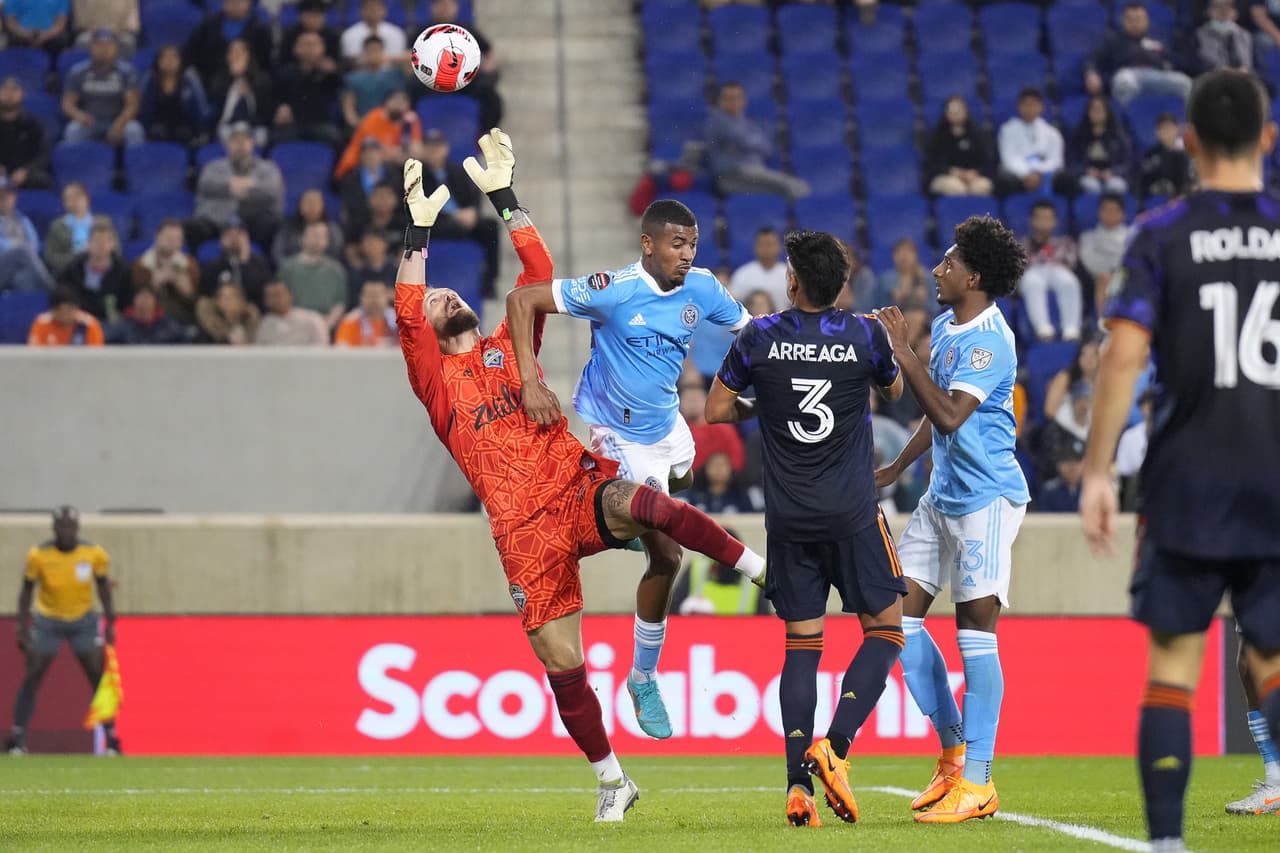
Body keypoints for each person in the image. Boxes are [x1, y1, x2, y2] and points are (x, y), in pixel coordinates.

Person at [396, 131, 764, 821]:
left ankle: (753, 566)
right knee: (562, 665)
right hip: (521, 534)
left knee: (648, 508)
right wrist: (417, 233)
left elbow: (536, 269)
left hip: (573, 488)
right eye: (438, 298)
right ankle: (612, 780)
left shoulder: (511, 346)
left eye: (447, 292)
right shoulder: (437, 382)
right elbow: (409, 310)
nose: (443, 298)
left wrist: (506, 197)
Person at [1079, 70, 1280, 849]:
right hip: (1273, 476)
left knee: (1173, 665)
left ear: (1189, 142)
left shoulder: (1162, 233)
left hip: (1189, 478)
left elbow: (1122, 355)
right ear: (1267, 138)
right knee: (1269, 655)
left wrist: (1099, 472)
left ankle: (1166, 842)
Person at [505, 194, 756, 741]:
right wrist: (528, 380)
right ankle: (643, 677)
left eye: (692, 244)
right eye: (676, 244)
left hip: (669, 429)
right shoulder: (613, 290)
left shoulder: (704, 289)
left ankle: (639, 519)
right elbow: (521, 300)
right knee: (668, 547)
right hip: (616, 433)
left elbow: (754, 331)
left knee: (683, 483)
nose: (686, 254)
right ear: (647, 244)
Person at [705, 228, 906, 826]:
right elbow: (894, 390)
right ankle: (835, 746)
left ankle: (797, 786)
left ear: (792, 282)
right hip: (852, 513)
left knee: (801, 647)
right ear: (841, 285)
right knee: (887, 633)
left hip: (789, 520)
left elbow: (716, 410)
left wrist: (767, 399)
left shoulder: (759, 337)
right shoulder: (866, 333)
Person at [874, 215, 1030, 824]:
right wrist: (893, 469)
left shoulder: (991, 340)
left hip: (986, 502)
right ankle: (953, 754)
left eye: (949, 263)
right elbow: (932, 419)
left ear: (976, 276)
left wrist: (903, 354)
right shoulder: (946, 324)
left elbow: (949, 415)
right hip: (942, 497)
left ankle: (982, 782)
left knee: (975, 631)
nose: (939, 271)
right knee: (895, 619)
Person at [6, 507, 120, 756]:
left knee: (97, 677)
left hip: (84, 620)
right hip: (48, 620)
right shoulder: (39, 555)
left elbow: (104, 588)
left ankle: (111, 737)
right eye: (62, 526)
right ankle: (17, 738)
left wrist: (111, 621)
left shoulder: (93, 553)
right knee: (33, 674)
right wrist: (21, 625)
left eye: (71, 526)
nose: (66, 531)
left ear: (77, 528)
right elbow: (26, 591)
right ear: (54, 528)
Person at [417, 128, 500, 296]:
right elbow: (419, 205)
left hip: (462, 219)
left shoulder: (456, 171)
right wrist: (453, 216)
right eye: (430, 148)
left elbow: (473, 196)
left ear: (445, 149)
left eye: (437, 147)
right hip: (436, 222)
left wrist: (472, 212)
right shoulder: (419, 176)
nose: (434, 152)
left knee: (491, 227)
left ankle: (489, 280)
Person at [704, 82, 809, 200]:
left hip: (752, 173)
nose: (734, 102)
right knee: (792, 186)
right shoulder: (717, 121)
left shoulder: (748, 123)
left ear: (744, 101)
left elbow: (767, 148)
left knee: (791, 189)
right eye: (729, 98)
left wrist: (739, 146)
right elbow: (742, 140)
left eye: (738, 98)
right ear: (720, 101)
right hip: (731, 174)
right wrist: (751, 144)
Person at [193, 122, 286, 248]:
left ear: (252, 143)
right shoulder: (213, 167)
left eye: (245, 140)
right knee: (193, 227)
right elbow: (206, 184)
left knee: (273, 224)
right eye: (235, 140)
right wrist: (236, 185)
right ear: (227, 145)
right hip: (216, 221)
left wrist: (234, 187)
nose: (240, 144)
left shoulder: (268, 168)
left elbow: (270, 191)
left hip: (254, 221)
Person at [1085, 1, 1192, 106]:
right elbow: (1092, 60)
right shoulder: (1114, 41)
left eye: (1139, 19)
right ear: (1123, 21)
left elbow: (1173, 61)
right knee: (1123, 81)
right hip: (1130, 76)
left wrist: (1165, 62)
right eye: (1131, 20)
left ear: (1147, 20)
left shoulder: (1156, 40)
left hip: (1158, 75)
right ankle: (1125, 119)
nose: (1135, 23)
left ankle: (1191, 120)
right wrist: (1091, 73)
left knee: (1185, 83)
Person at [425, 0, 504, 130]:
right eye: (440, 5)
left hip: (464, 80)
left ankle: (484, 132)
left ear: (456, 8)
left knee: (491, 97)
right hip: (432, 81)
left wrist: (487, 69)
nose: (444, 9)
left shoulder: (467, 30)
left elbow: (489, 53)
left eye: (448, 5)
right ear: (432, 8)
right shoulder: (422, 32)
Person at [61, 29, 144, 147]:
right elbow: (68, 104)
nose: (104, 49)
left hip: (117, 120)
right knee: (73, 130)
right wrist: (79, 115)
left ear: (116, 48)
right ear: (90, 47)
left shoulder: (127, 72)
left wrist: (118, 125)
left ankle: (136, 165)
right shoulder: (78, 72)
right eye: (99, 45)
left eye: (109, 45)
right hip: (90, 121)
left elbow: (132, 105)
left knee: (134, 130)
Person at [1019, 199, 1083, 342]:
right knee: (1032, 282)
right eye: (1040, 218)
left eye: (1048, 218)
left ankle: (1071, 329)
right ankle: (1043, 329)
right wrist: (1038, 245)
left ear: (1055, 221)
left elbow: (1071, 263)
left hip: (1057, 270)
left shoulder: (1065, 241)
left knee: (1070, 281)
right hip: (1033, 273)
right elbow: (1021, 265)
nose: (1044, 222)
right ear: (1032, 220)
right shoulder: (1023, 242)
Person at [273, 30, 344, 147]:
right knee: (276, 139)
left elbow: (339, 89)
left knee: (335, 138)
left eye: (314, 45)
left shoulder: (330, 74)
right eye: (305, 44)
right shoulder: (285, 73)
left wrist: (332, 73)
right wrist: (281, 107)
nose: (310, 49)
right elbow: (275, 97)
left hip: (320, 122)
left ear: (322, 48)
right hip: (293, 122)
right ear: (296, 49)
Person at [131, 217, 200, 330]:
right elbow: (135, 296)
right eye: (168, 238)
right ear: (157, 237)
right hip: (150, 320)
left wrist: (187, 291)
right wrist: (153, 284)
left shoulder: (189, 264)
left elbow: (196, 300)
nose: (172, 242)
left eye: (177, 239)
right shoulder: (141, 264)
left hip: (182, 318)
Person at [334, 90, 421, 179]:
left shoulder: (409, 121)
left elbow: (417, 151)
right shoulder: (373, 118)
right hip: (354, 168)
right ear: (386, 102)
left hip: (389, 168)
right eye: (395, 101)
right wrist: (399, 155)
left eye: (403, 102)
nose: (398, 105)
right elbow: (375, 154)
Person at [279, 221, 348, 330]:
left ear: (327, 241)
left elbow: (340, 303)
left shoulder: (336, 270)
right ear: (302, 238)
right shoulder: (288, 268)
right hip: (294, 325)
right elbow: (281, 300)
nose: (317, 240)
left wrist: (326, 324)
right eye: (313, 235)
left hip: (326, 325)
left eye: (321, 237)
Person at [183, 0, 274, 82]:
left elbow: (266, 65)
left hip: (249, 88)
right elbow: (189, 54)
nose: (234, 3)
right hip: (210, 85)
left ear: (249, 3)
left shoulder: (261, 31)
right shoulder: (207, 26)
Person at [206, 39, 274, 148]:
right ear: (227, 57)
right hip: (228, 126)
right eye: (232, 51)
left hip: (254, 126)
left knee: (261, 136)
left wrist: (250, 86)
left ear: (248, 55)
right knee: (224, 135)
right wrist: (232, 78)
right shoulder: (219, 79)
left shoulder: (262, 78)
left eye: (241, 51)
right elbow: (216, 106)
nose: (236, 55)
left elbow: (265, 109)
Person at [138, 45, 210, 146]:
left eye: (174, 57)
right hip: (157, 127)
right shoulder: (151, 78)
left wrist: (203, 131)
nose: (169, 61)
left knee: (185, 133)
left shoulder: (189, 78)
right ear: (158, 61)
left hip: (184, 128)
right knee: (155, 132)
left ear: (180, 60)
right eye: (165, 57)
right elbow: (144, 109)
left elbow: (200, 108)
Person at [997, 88, 1064, 196]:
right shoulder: (1007, 130)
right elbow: (1008, 159)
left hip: (1044, 174)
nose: (1029, 108)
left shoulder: (1052, 133)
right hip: (1018, 175)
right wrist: (1026, 173)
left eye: (1033, 104)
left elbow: (1056, 161)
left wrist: (1038, 172)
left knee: (1065, 179)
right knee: (1004, 181)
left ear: (1041, 107)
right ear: (1018, 107)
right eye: (1026, 105)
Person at [57, 221, 129, 321]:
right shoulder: (74, 268)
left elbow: (127, 303)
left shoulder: (123, 270)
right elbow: (61, 293)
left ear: (112, 244)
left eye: (105, 242)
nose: (101, 246)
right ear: (88, 243)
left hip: (110, 323)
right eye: (97, 241)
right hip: (78, 320)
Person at [926, 96, 996, 197]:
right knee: (957, 188)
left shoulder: (978, 135)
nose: (955, 113)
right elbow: (931, 164)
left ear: (966, 111)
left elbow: (988, 161)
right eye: (951, 110)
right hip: (945, 176)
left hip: (974, 176)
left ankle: (977, 213)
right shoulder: (937, 135)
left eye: (958, 109)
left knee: (982, 187)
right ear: (945, 113)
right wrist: (950, 171)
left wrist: (976, 172)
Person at [198, 217, 273, 308]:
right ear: (221, 240)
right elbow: (207, 293)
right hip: (223, 312)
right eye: (229, 235)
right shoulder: (213, 267)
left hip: (254, 311)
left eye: (239, 235)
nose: (234, 239)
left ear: (247, 238)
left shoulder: (259, 264)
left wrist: (244, 263)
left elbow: (260, 292)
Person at [1067, 95, 1133, 195]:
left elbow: (1128, 162)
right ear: (1088, 112)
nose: (1097, 112)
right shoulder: (1079, 136)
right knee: (1090, 185)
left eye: (1100, 109)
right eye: (1093, 109)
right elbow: (1071, 161)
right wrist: (1085, 170)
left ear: (1107, 112)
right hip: (1088, 175)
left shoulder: (1118, 136)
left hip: (1112, 175)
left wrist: (1113, 172)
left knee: (1116, 186)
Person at [1079, 193, 1132, 318]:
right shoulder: (1087, 237)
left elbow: (1132, 261)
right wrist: (1113, 267)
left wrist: (1115, 269)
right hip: (1099, 279)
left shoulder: (1132, 237)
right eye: (1105, 210)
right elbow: (1091, 263)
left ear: (1122, 214)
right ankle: (1103, 324)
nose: (1109, 214)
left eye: (1114, 210)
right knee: (1104, 277)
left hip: (1127, 276)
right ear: (1099, 212)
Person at [43, 181, 111, 277]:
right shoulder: (57, 226)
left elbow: (115, 250)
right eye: (68, 198)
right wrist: (78, 257)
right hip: (71, 273)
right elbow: (51, 257)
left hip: (101, 270)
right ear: (64, 202)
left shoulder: (103, 222)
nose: (74, 202)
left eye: (77, 197)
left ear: (86, 198)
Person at [0, 177, 52, 292]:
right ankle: (54, 290)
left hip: (20, 265)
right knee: (23, 250)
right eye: (1, 197)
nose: (4, 200)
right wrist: (17, 246)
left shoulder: (22, 219)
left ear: (14, 197)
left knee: (22, 278)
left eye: (8, 196)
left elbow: (34, 244)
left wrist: (21, 247)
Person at [0, 77, 52, 190]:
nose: (9, 94)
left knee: (43, 181)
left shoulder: (32, 123)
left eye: (14, 90)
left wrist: (26, 171)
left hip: (25, 175)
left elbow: (44, 154)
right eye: (5, 90)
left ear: (22, 94)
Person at [342, 35, 404, 129]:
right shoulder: (352, 78)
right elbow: (349, 111)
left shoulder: (394, 75)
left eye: (377, 50)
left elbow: (415, 58)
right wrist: (360, 125)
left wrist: (388, 58)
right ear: (363, 53)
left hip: (390, 125)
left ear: (383, 52)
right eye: (370, 51)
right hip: (362, 125)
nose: (373, 54)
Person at [339, 137, 393, 242]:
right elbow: (349, 203)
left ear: (381, 154)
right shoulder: (350, 178)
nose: (370, 156)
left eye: (374, 152)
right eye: (366, 153)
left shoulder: (393, 175)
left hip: (390, 224)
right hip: (360, 225)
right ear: (361, 156)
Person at [272, 188, 344, 267]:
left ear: (323, 206)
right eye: (307, 202)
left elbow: (337, 254)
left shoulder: (332, 230)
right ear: (300, 206)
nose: (311, 206)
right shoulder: (288, 228)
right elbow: (278, 253)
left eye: (315, 202)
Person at [104, 283, 188, 344]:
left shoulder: (168, 326)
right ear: (134, 300)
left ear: (155, 301)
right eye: (140, 297)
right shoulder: (122, 325)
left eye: (147, 297)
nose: (144, 302)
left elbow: (185, 342)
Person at [255, 279, 329, 345]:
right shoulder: (264, 324)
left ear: (290, 295)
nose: (277, 300)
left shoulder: (312, 319)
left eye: (280, 294)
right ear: (266, 300)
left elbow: (322, 348)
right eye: (272, 296)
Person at [729, 227, 788, 309]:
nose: (766, 249)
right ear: (755, 247)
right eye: (762, 245)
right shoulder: (742, 274)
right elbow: (733, 305)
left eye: (770, 244)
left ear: (779, 246)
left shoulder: (789, 275)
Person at [1139, 113, 1193, 200]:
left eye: (1169, 128)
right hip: (1161, 200)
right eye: (1163, 129)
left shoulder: (1188, 151)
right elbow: (1144, 182)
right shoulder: (1151, 155)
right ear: (1157, 132)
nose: (1167, 133)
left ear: (1177, 129)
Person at [27, 286, 104, 346]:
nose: (65, 315)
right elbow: (35, 352)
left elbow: (97, 353)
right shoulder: (42, 323)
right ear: (52, 310)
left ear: (76, 308)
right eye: (60, 311)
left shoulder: (89, 324)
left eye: (70, 310)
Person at [278, 0, 342, 71]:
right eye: (309, 15)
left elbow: (337, 61)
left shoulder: (332, 35)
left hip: (323, 73)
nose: (313, 20)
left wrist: (329, 65)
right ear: (301, 16)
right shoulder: (290, 34)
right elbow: (282, 60)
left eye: (317, 16)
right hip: (295, 71)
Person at [877, 238, 934, 316]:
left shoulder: (928, 277)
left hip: (924, 319)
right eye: (899, 252)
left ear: (916, 255)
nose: (904, 256)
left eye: (909, 252)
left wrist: (925, 300)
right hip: (894, 318)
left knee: (916, 316)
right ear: (893, 256)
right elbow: (881, 306)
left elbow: (935, 307)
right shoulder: (886, 278)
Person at [339, 0, 407, 66]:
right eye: (369, 8)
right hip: (360, 73)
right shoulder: (349, 35)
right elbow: (350, 61)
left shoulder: (397, 33)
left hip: (391, 73)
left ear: (384, 10)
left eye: (376, 8)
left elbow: (401, 60)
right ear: (361, 11)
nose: (373, 11)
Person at [195, 280, 259, 345]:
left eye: (231, 296)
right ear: (217, 301)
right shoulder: (209, 331)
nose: (227, 301)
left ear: (240, 300)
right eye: (223, 296)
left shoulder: (249, 321)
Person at [335, 279, 396, 347]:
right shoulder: (350, 321)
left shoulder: (398, 321)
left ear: (387, 297)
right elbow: (341, 350)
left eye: (378, 295)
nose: (374, 299)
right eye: (370, 295)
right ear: (361, 298)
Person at [1197, 0, 1254, 72]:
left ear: (1236, 12)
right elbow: (1199, 64)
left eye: (1228, 5)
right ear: (1208, 11)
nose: (1223, 10)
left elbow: (1253, 66)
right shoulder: (1199, 35)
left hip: (1243, 77)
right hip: (1211, 77)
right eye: (1217, 6)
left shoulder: (1246, 35)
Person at [1035, 436, 1085, 512]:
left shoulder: (1091, 490)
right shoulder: (1049, 492)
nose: (1072, 467)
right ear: (1059, 464)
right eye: (1067, 460)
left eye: (1077, 461)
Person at [345, 228, 398, 298]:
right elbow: (354, 297)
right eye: (368, 242)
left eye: (375, 242)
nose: (372, 246)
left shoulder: (395, 271)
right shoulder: (357, 272)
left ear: (385, 244)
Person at [71, 0, 139, 53]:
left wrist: (120, 32)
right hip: (92, 31)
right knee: (82, 40)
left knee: (128, 41)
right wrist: (93, 32)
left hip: (120, 32)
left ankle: (122, 69)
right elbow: (80, 17)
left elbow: (131, 17)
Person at [3, 0, 68, 50]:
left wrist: (44, 36)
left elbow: (60, 23)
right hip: (21, 36)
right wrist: (26, 34)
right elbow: (10, 22)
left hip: (51, 36)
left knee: (62, 41)